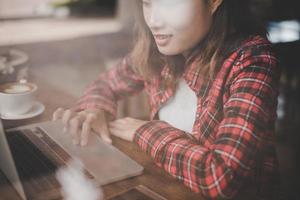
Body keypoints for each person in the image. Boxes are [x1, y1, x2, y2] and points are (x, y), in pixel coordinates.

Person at [53, 0, 281, 199]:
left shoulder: (252, 59)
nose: (153, 21)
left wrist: (144, 131)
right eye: (147, 2)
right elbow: (106, 84)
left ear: (213, 1)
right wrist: (95, 109)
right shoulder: (155, 51)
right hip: (167, 186)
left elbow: (221, 177)